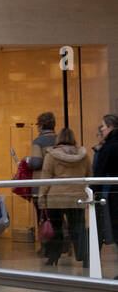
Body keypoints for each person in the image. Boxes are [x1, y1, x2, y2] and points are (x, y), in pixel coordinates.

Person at [38, 128, 91, 268]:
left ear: (59, 139)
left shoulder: (51, 155)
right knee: (78, 228)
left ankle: (53, 257)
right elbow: (89, 175)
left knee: (56, 229)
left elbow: (46, 178)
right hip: (77, 197)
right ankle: (84, 257)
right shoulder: (83, 155)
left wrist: (41, 198)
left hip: (55, 198)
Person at [28, 112, 57, 255]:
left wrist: (28, 161)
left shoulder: (38, 141)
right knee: (57, 216)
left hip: (41, 184)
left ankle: (45, 245)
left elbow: (36, 162)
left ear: (40, 126)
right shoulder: (59, 139)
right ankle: (61, 243)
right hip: (57, 184)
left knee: (42, 216)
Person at [94, 114, 118, 259]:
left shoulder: (109, 147)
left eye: (103, 126)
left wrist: (93, 192)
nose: (102, 129)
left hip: (115, 193)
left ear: (110, 127)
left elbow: (99, 172)